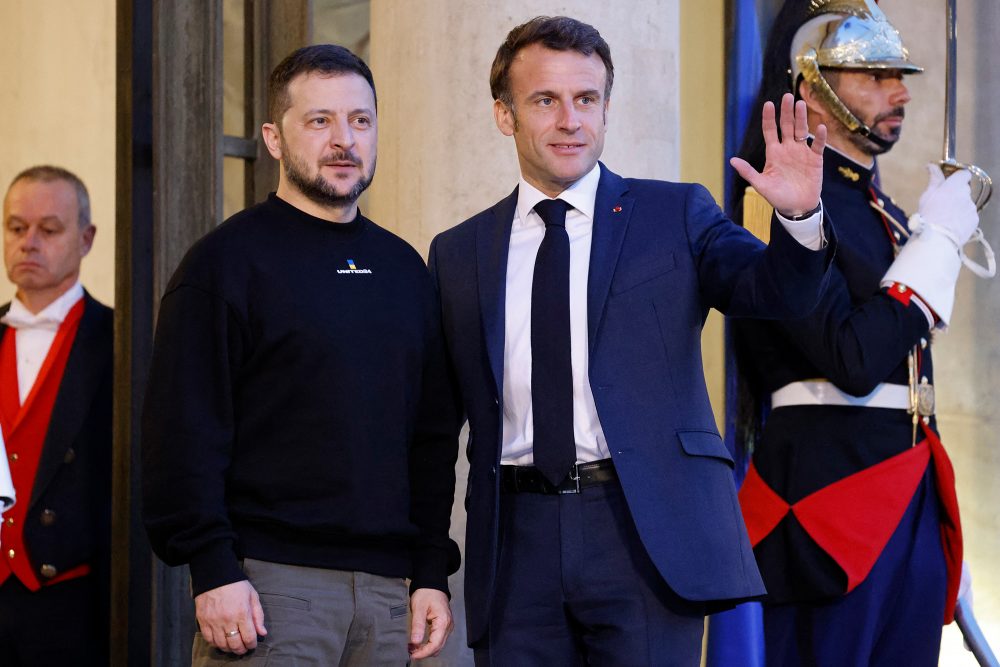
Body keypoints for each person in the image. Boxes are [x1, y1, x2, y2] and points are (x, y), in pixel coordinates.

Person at [429, 15, 837, 665]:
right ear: (504, 115)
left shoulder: (674, 214)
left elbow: (776, 295)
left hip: (646, 535)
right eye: (545, 100)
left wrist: (798, 218)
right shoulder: (458, 253)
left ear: (606, 109)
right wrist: (429, 566)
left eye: (586, 99)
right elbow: (435, 423)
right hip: (515, 545)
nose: (571, 120)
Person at [142, 44, 461, 665]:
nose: (344, 139)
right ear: (274, 138)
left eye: (360, 120)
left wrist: (430, 571)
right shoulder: (224, 265)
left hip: (391, 596)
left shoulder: (405, 271)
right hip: (268, 592)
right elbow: (181, 431)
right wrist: (212, 567)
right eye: (319, 121)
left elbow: (430, 437)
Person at [731, 1, 979, 664]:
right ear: (811, 90)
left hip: (906, 493)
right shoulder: (777, 207)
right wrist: (938, 244)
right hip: (824, 508)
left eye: (898, 75)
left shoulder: (882, 210)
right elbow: (853, 357)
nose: (898, 92)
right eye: (872, 76)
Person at [0, 165, 112, 666]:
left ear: (85, 239)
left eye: (49, 229)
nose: (29, 242)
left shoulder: (118, 341)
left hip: (70, 603)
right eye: (16, 227)